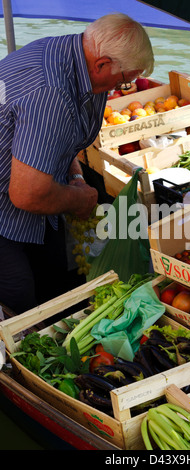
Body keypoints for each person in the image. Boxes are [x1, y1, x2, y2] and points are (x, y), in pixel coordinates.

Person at [0, 13, 154, 315]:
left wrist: (78, 178)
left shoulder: (74, 59)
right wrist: (78, 200)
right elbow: (27, 193)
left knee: (56, 283)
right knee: (21, 306)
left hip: (30, 199)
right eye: (123, 82)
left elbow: (58, 138)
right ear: (101, 64)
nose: (122, 88)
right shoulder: (51, 93)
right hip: (7, 209)